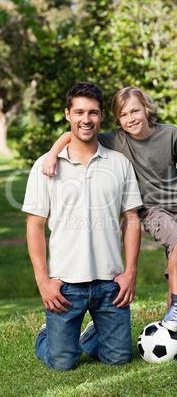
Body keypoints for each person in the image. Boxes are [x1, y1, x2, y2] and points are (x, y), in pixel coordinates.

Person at [42, 86, 177, 355]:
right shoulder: (118, 140)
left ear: (146, 109)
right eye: (123, 115)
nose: (131, 119)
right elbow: (74, 132)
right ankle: (176, 309)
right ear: (117, 119)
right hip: (151, 209)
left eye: (135, 111)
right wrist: (52, 153)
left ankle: (173, 333)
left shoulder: (171, 133)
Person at [22, 82, 142, 371]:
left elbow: (132, 219)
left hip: (110, 282)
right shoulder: (47, 165)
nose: (85, 119)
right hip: (65, 284)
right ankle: (46, 334)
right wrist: (43, 281)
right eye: (78, 112)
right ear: (67, 114)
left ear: (102, 116)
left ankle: (89, 334)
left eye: (92, 113)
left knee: (120, 358)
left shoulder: (119, 163)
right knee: (62, 363)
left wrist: (130, 272)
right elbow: (35, 226)